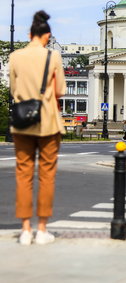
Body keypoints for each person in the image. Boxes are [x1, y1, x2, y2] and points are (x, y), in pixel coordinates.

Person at [9, 10, 66, 245]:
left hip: (23, 122)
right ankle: (42, 229)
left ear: (29, 34)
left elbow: (13, 90)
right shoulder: (53, 57)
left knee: (23, 175)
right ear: (47, 35)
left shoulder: (15, 56)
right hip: (48, 122)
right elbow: (60, 90)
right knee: (47, 176)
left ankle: (24, 230)